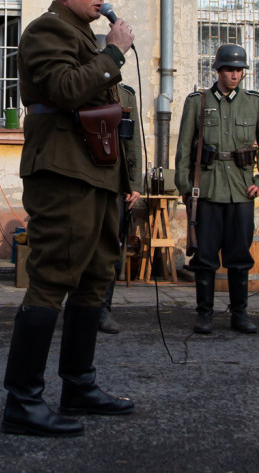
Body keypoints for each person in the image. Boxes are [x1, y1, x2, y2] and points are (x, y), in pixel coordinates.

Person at [0, 0, 135, 438]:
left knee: (96, 277)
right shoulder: (46, 30)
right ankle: (23, 400)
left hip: (97, 173)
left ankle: (78, 384)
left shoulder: (82, 34)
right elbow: (64, 90)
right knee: (54, 274)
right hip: (62, 173)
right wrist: (114, 52)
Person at [174, 45, 259, 334]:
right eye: (229, 69)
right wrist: (185, 185)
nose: (235, 74)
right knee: (204, 256)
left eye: (239, 69)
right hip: (206, 190)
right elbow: (184, 147)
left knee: (239, 256)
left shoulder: (254, 103)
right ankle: (204, 314)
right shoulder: (198, 101)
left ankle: (239, 314)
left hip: (241, 191)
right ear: (218, 71)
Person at [94, 34, 143, 335]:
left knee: (111, 249)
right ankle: (80, 306)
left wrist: (134, 182)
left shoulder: (126, 95)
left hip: (115, 183)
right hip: (87, 181)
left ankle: (103, 310)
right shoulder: (83, 92)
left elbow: (133, 142)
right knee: (84, 248)